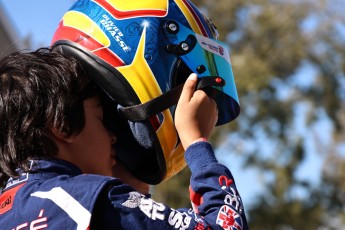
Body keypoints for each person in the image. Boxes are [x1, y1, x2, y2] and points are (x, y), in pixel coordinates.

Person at [0, 48, 247, 229]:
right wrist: (196, 142)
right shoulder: (87, 200)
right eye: (100, 119)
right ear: (62, 126)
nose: (112, 137)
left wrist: (134, 192)